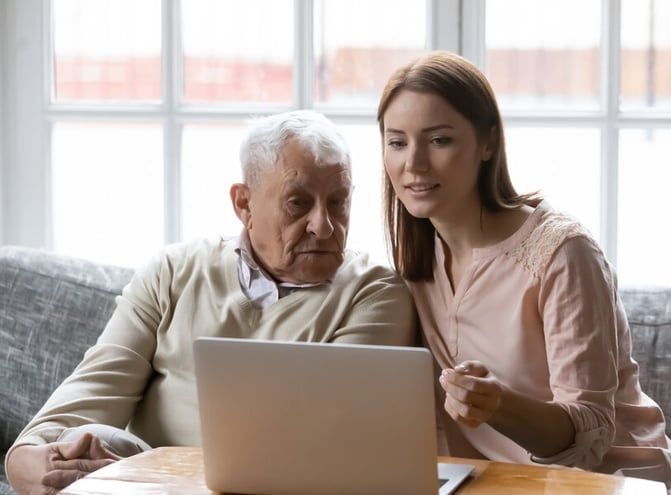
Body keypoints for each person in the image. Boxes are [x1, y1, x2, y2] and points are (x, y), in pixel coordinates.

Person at [6, 110, 417, 493]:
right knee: (82, 442)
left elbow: (314, 450)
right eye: (298, 202)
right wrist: (30, 463)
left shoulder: (375, 294)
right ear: (244, 203)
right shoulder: (173, 271)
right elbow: (93, 388)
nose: (323, 225)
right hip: (145, 485)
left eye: (338, 201)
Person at [376, 51, 671, 494]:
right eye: (397, 142)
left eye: (439, 140)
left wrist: (498, 404)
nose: (414, 164)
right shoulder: (413, 261)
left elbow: (590, 436)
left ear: (487, 143)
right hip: (501, 486)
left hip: (610, 484)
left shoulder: (562, 253)